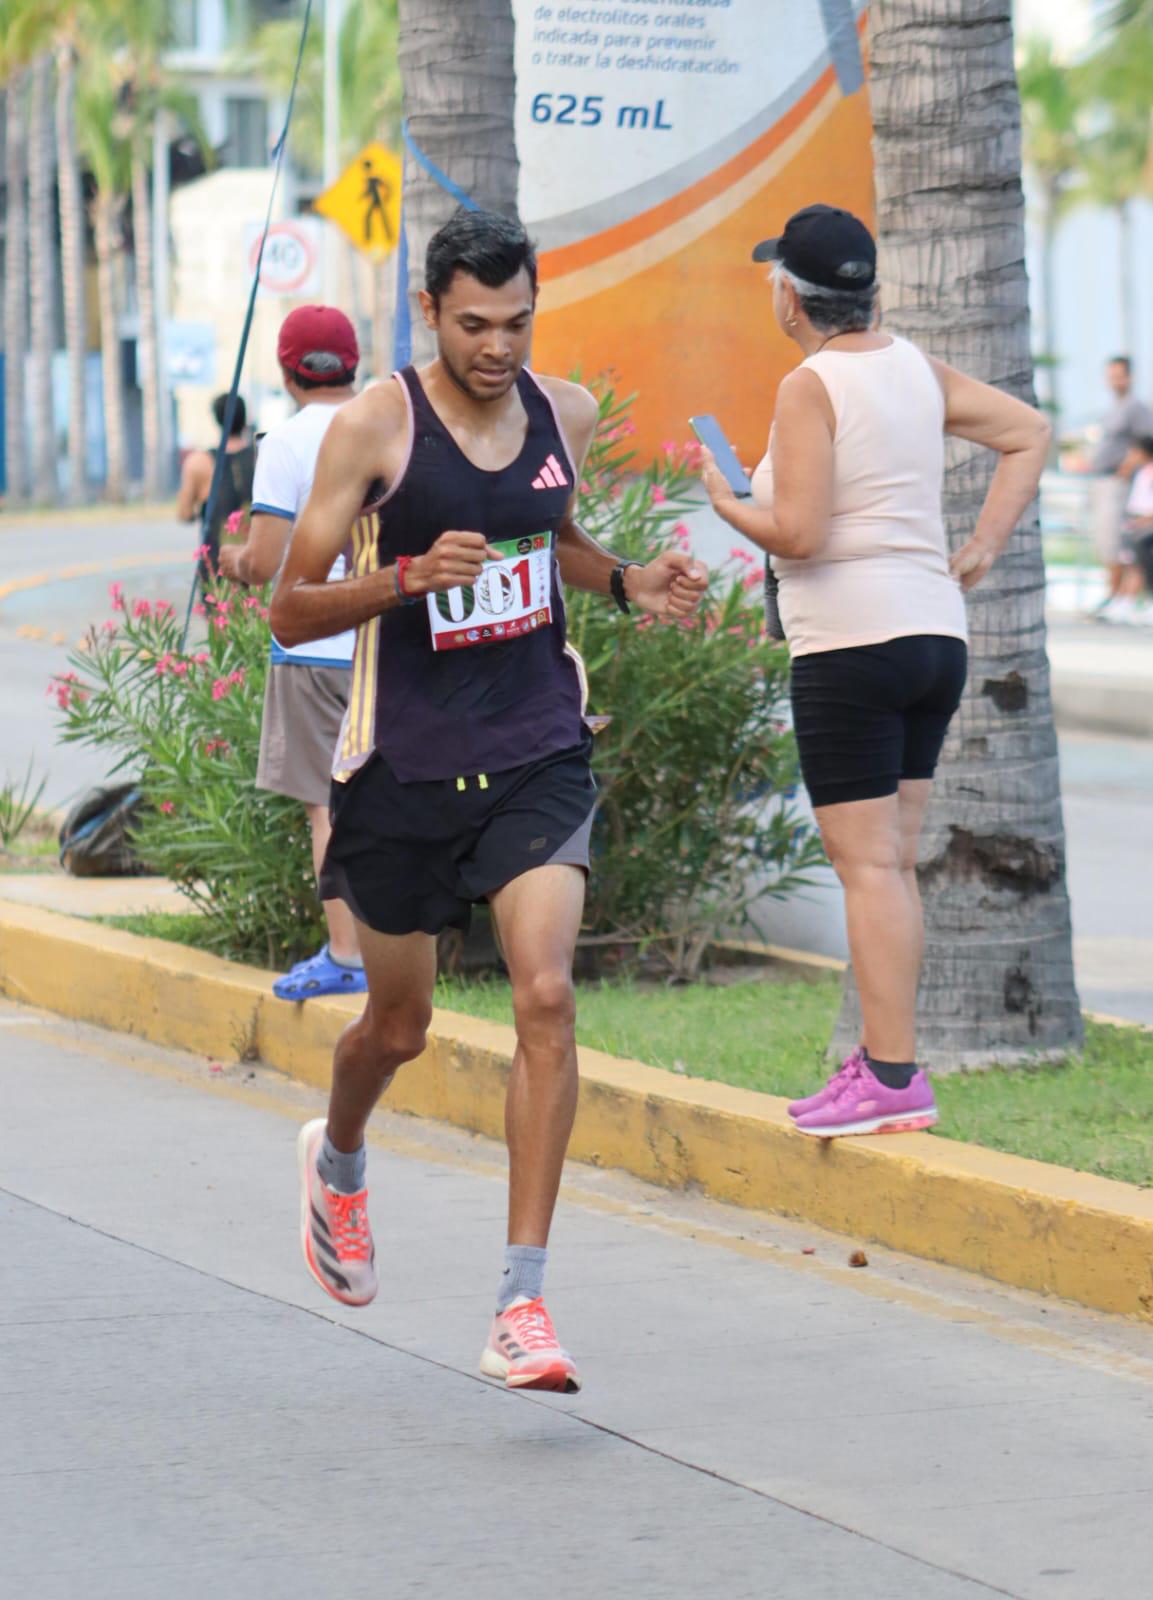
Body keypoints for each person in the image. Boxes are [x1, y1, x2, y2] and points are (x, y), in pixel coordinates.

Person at [270, 208, 706, 1391]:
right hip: (403, 763)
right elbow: (288, 605)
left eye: (517, 321)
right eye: (474, 325)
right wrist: (406, 576)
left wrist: (622, 577)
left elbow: (549, 533)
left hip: (533, 746)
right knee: (397, 1026)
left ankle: (522, 1302)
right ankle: (342, 1158)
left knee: (547, 995)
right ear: (429, 311)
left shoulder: (560, 411)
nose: (499, 346)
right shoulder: (376, 425)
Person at [702, 203, 1050, 1138]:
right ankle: (887, 1064)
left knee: (868, 869)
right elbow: (1028, 431)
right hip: (934, 637)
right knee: (888, 864)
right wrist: (981, 543)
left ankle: (892, 1076)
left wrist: (725, 499)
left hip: (851, 645)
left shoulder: (808, 385)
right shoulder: (913, 369)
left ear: (790, 297)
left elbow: (801, 535)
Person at [218, 306, 366, 1000]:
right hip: (388, 644)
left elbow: (267, 560)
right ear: (354, 364)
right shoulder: (390, 427)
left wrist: (232, 560)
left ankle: (347, 954)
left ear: (286, 372)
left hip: (312, 650)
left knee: (326, 808)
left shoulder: (284, 445)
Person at [1087, 357, 1153, 621]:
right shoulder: (1115, 407)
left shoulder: (1135, 407)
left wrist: (1127, 468)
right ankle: (1115, 598)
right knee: (1107, 542)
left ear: (1130, 377)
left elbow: (1146, 441)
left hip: (1119, 483)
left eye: (1119, 375)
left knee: (1118, 541)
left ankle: (1119, 598)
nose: (1115, 381)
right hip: (1104, 481)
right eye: (1111, 375)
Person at [176, 393, 255, 557]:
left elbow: (184, 513)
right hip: (256, 564)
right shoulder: (261, 457)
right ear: (245, 418)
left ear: (217, 420)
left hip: (217, 566)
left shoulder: (199, 462)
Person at [1119, 434, 1153, 616]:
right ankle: (1126, 600)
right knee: (1131, 563)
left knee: (1141, 564)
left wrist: (1144, 521)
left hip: (1145, 525)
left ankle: (1138, 601)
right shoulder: (1140, 473)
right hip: (1135, 523)